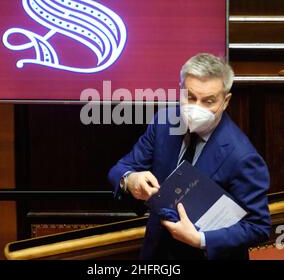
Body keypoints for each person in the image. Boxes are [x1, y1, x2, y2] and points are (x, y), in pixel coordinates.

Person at [108, 53, 271, 260]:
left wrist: (201, 239)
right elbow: (120, 169)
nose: (197, 108)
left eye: (209, 101)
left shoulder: (242, 156)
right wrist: (130, 180)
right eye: (190, 97)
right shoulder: (164, 123)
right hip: (156, 254)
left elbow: (258, 226)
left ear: (226, 100)